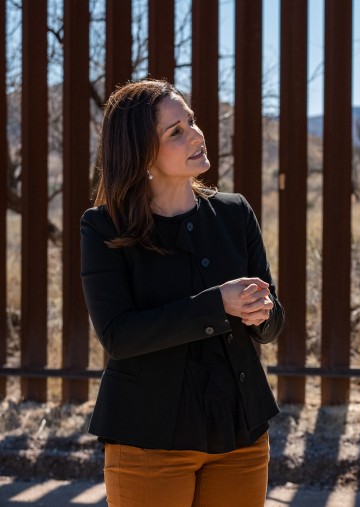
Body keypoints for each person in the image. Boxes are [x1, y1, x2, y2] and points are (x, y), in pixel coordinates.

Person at [81, 79, 284, 507]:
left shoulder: (234, 213)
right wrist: (218, 304)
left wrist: (261, 314)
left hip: (240, 435)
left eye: (190, 120)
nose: (195, 133)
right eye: (175, 131)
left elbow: (271, 323)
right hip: (148, 439)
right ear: (141, 154)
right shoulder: (104, 228)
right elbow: (119, 336)